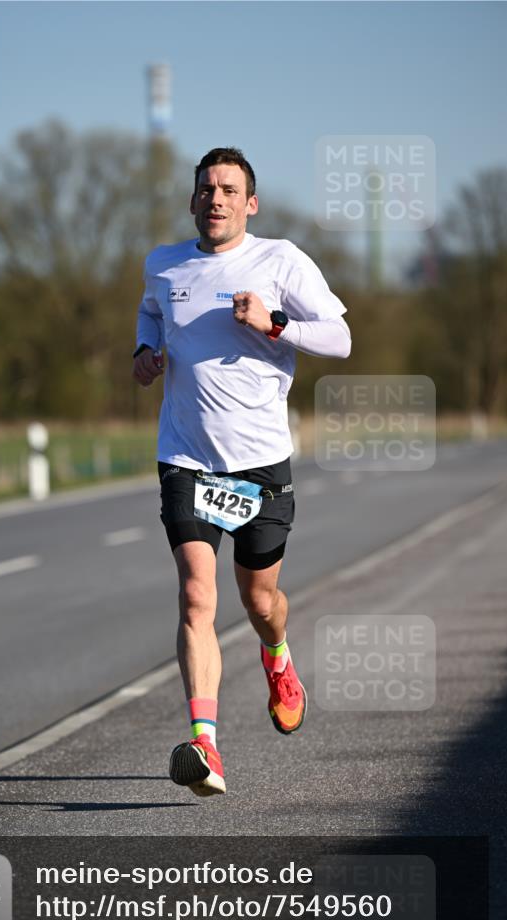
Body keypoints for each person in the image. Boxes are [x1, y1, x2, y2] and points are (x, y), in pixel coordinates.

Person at [133, 147, 350, 797]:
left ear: (250, 203)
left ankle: (277, 657)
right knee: (197, 596)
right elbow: (151, 311)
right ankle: (205, 744)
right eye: (206, 189)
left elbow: (339, 339)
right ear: (192, 200)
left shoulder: (281, 260)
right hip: (186, 459)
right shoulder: (164, 264)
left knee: (259, 602)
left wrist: (274, 322)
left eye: (229, 190)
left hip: (260, 465)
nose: (216, 199)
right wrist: (145, 349)